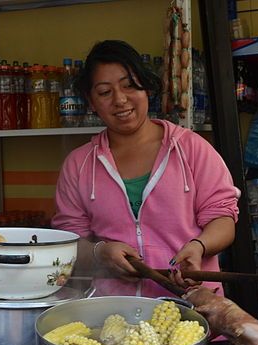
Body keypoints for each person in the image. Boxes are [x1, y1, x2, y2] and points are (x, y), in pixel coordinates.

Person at [52, 40, 239, 297]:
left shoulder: (192, 148)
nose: (120, 99)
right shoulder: (78, 165)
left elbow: (223, 219)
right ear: (91, 102)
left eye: (130, 85)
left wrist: (199, 246)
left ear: (147, 89)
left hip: (192, 308)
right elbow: (68, 242)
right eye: (105, 92)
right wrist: (100, 252)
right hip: (115, 315)